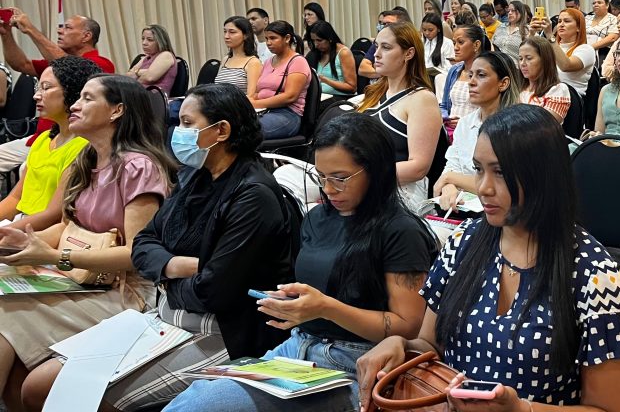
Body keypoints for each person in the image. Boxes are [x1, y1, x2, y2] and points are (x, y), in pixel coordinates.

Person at [355, 104, 620, 412]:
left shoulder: (596, 275)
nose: (483, 187)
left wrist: (520, 409)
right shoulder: (465, 241)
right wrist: (402, 346)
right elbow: (431, 345)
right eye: (479, 169)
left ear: (543, 177)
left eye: (500, 172)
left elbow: (608, 408)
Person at [20, 83, 296, 411]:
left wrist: (165, 276)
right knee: (38, 385)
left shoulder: (253, 195)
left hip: (224, 331)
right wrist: (176, 267)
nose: (178, 133)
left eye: (189, 124)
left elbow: (213, 292)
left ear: (221, 130)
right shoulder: (197, 174)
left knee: (86, 399)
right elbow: (145, 244)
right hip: (166, 313)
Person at [163, 111, 437, 412]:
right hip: (300, 348)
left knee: (204, 406)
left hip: (356, 362)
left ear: (376, 171)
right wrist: (294, 302)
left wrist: (324, 308)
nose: (329, 189)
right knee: (195, 399)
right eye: (321, 177)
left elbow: (407, 328)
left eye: (341, 178)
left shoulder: (400, 231)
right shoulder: (318, 218)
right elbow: (323, 289)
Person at [0, 75, 174, 401]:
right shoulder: (87, 159)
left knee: (6, 314)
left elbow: (138, 255)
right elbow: (66, 228)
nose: (75, 105)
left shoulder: (138, 168)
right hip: (80, 277)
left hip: (126, 293)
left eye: (87, 98)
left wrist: (54, 258)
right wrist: (21, 239)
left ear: (117, 110)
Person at [0, 10, 117, 173]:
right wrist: (6, 35)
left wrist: (31, 30)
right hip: (42, 137)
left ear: (86, 36)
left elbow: (71, 67)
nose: (60, 31)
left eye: (67, 28)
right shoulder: (55, 63)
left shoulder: (100, 64)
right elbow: (21, 65)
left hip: (72, 138)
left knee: (27, 170)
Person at [0, 56, 101, 231]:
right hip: (20, 224)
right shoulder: (44, 139)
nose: (36, 95)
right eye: (38, 87)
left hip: (41, 233)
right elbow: (16, 199)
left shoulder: (83, 146)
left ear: (73, 93)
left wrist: (6, 232)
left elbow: (53, 214)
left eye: (46, 88)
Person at [358, 21, 442, 207]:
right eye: (376, 46)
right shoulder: (375, 92)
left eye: (386, 47)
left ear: (409, 53)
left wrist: (361, 176)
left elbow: (418, 167)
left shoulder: (422, 99)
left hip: (400, 190)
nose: (377, 54)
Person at [434, 51, 521, 210]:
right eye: (470, 75)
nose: (471, 82)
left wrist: (450, 178)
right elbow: (452, 164)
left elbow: (505, 185)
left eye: (481, 75)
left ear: (503, 83)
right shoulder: (465, 123)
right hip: (464, 208)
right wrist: (448, 187)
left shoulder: (517, 127)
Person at [251, 21, 311, 140]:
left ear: (287, 38)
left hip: (287, 115)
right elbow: (258, 93)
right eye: (267, 38)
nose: (268, 43)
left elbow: (290, 96)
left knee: (244, 131)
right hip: (264, 111)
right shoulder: (268, 62)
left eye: (273, 38)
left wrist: (256, 104)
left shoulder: (297, 61)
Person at [438, 24, 488, 134]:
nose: (455, 47)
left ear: (476, 45)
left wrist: (465, 122)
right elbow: (444, 105)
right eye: (454, 43)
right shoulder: (454, 71)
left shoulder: (487, 72)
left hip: (476, 131)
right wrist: (445, 118)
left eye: (460, 42)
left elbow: (493, 110)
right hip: (451, 132)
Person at [536, 8, 597, 98]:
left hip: (571, 99)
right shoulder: (552, 46)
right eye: (559, 21)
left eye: (567, 21)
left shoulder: (587, 49)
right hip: (548, 93)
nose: (561, 24)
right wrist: (531, 33)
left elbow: (565, 65)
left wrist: (549, 35)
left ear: (578, 28)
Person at [519, 36, 572, 124]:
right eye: (520, 58)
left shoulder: (558, 89)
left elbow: (545, 125)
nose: (522, 63)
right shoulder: (517, 88)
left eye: (528, 58)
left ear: (545, 60)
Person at [307, 20, 356, 101]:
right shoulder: (315, 53)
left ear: (329, 39)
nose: (316, 44)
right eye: (313, 40)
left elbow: (351, 87)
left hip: (340, 98)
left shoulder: (343, 53)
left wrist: (325, 80)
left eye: (319, 40)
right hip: (320, 97)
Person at [215, 16, 262, 97]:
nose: (226, 36)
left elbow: (251, 95)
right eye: (225, 31)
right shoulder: (226, 59)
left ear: (245, 35)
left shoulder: (253, 62)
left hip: (239, 107)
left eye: (232, 32)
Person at [126, 24, 178, 94]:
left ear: (161, 42)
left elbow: (149, 78)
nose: (144, 43)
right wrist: (144, 72)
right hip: (140, 94)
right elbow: (127, 77)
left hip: (154, 97)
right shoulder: (146, 57)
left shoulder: (166, 55)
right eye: (143, 39)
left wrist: (137, 72)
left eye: (150, 40)